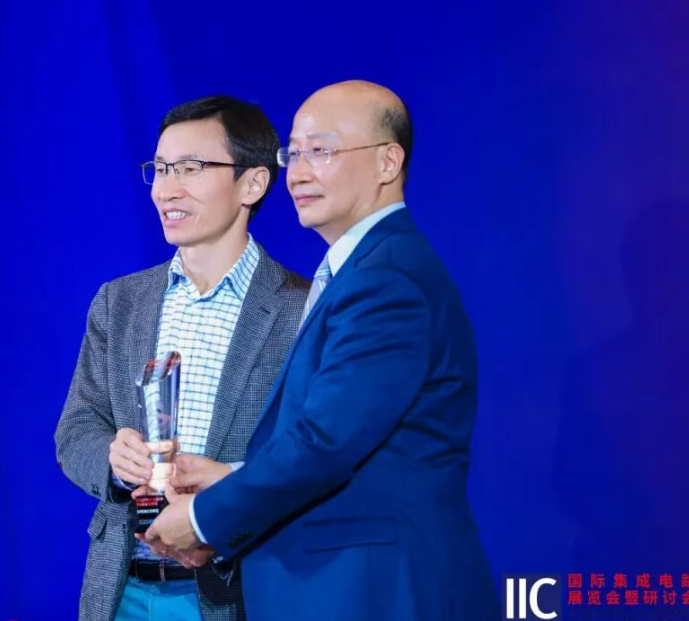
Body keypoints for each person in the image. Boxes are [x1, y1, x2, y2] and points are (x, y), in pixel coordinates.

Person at [143, 81, 500, 620]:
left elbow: (325, 444)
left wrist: (202, 519)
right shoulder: (359, 270)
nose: (299, 173)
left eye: (322, 151)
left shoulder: (387, 279)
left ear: (387, 162)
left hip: (378, 591)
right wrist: (234, 476)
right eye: (294, 154)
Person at [54, 94, 310, 621]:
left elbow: (312, 455)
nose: (166, 189)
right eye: (160, 168)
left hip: (235, 587)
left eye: (190, 168)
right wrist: (112, 459)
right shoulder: (120, 302)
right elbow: (75, 430)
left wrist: (227, 487)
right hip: (122, 587)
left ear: (253, 183)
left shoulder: (302, 309)